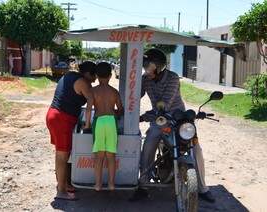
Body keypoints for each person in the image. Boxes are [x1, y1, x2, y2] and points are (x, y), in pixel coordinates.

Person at [132, 48, 215, 203]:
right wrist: (128, 104)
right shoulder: (145, 79)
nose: (145, 69)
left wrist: (145, 116)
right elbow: (135, 95)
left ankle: (203, 188)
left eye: (147, 65)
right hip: (159, 121)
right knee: (148, 146)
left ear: (158, 66)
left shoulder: (172, 78)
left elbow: (166, 102)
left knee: (196, 149)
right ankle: (143, 185)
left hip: (178, 118)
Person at [46, 61, 97, 201]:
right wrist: (87, 125)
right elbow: (90, 104)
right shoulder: (83, 83)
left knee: (63, 154)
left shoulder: (71, 75)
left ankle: (64, 184)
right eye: (94, 76)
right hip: (62, 119)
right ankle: (61, 191)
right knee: (62, 156)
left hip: (54, 115)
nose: (95, 79)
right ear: (88, 73)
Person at [85, 62, 123, 191]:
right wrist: (116, 114)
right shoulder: (114, 91)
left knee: (99, 156)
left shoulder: (93, 91)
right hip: (111, 121)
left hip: (99, 122)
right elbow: (120, 109)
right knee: (111, 156)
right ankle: (111, 184)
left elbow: (88, 110)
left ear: (97, 75)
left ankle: (98, 184)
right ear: (110, 75)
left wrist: (87, 125)